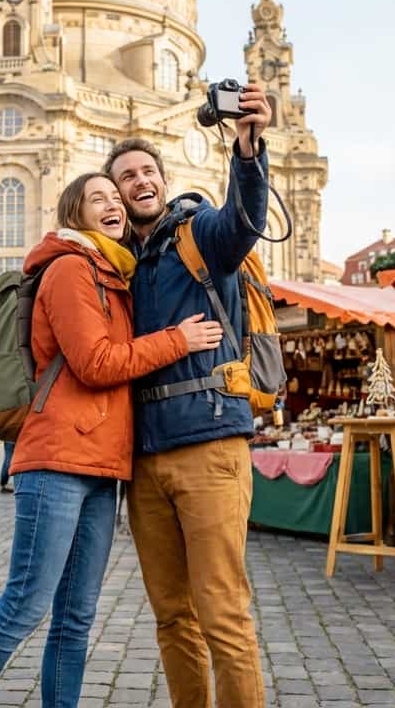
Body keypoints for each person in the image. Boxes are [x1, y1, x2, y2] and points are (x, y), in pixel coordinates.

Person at [0, 173, 222, 708]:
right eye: (99, 198)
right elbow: (95, 363)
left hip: (101, 466)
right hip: (57, 460)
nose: (114, 204)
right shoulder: (71, 268)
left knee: (76, 618)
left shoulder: (113, 273)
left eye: (116, 198)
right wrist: (178, 340)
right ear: (76, 213)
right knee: (24, 606)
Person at [104, 82, 272, 708]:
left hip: (209, 444)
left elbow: (244, 222)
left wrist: (248, 151)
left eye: (147, 171)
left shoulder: (198, 233)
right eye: (126, 176)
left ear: (163, 180)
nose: (140, 181)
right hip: (145, 461)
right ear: (115, 195)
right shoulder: (117, 265)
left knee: (222, 613)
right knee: (172, 616)